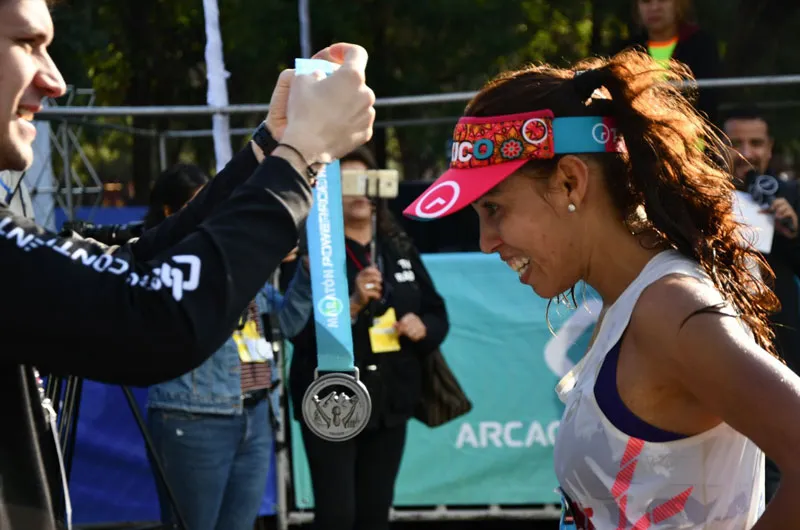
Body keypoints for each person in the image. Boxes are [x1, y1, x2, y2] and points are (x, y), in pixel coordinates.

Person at [0, 0, 376, 527]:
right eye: (26, 43)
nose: (55, 81)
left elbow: (137, 261)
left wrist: (272, 149)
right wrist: (297, 157)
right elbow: (155, 316)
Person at [403, 49, 800, 528]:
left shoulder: (670, 308)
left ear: (571, 182)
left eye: (494, 209)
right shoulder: (630, 301)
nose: (486, 242)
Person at [139, 164, 312, 530]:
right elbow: (198, 308)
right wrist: (256, 255)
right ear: (169, 212)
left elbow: (285, 324)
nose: (211, 211)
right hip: (195, 416)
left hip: (256, 415)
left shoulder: (233, 259)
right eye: (198, 203)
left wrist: (309, 273)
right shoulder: (160, 258)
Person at [289, 146, 449, 530]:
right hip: (332, 403)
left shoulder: (397, 244)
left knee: (375, 514)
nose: (359, 192)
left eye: (366, 181)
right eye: (347, 183)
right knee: (337, 516)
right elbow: (297, 332)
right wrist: (353, 304)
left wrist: (422, 327)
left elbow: (437, 312)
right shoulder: (315, 254)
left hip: (390, 400)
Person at [723, 105, 800, 504]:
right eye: (736, 143)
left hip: (781, 347)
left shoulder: (790, 196)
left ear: (769, 148)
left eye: (755, 143)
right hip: (717, 343)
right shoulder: (696, 199)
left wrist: (792, 228)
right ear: (718, 146)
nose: (747, 153)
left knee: (780, 457)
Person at [614, 0, 721, 125]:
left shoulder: (702, 45)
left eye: (663, 0)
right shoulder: (626, 50)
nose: (654, 7)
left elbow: (710, 101)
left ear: (679, 4)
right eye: (646, 1)